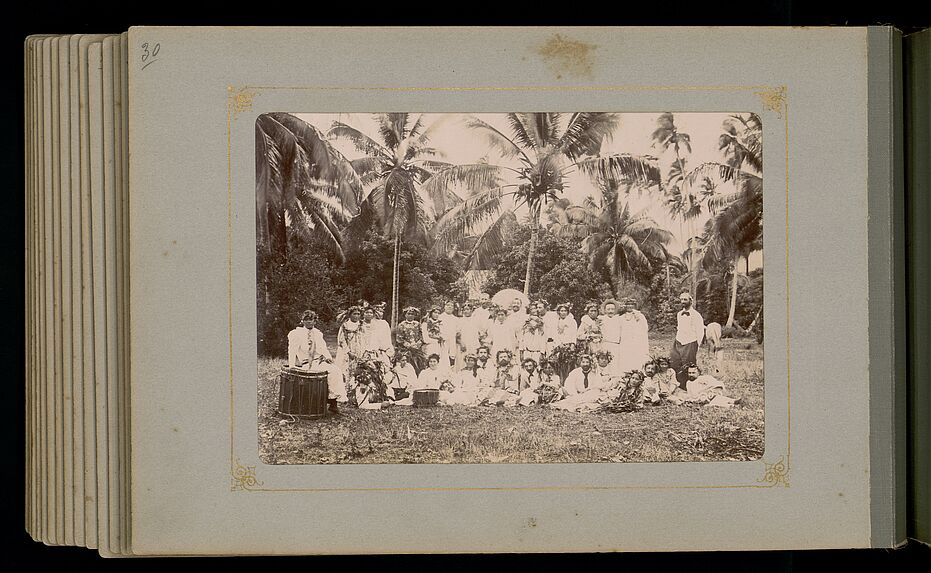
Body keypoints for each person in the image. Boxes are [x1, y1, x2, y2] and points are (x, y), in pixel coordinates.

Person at [286, 310, 348, 413]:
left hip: (319, 361)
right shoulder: (296, 333)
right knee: (320, 374)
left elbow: (323, 348)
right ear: (302, 321)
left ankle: (333, 402)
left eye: (312, 320)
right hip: (307, 363)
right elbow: (292, 350)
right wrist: (291, 365)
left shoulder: (318, 333)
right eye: (307, 320)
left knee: (335, 371)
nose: (309, 322)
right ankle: (321, 402)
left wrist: (328, 357)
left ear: (315, 321)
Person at [670, 292, 705, 388]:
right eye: (681, 300)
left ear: (691, 301)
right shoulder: (679, 314)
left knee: (688, 365)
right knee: (674, 362)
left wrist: (697, 346)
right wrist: (677, 340)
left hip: (690, 342)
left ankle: (688, 386)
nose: (683, 302)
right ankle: (677, 384)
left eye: (685, 299)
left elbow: (700, 331)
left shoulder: (696, 315)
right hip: (678, 341)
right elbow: (679, 328)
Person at [666, 364, 739, 407]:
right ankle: (730, 405)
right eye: (689, 373)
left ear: (698, 372)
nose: (691, 375)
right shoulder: (689, 383)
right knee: (710, 403)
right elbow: (692, 395)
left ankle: (733, 401)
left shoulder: (705, 378)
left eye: (693, 373)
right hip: (700, 399)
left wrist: (711, 392)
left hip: (709, 395)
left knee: (715, 398)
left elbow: (717, 384)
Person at [335, 306, 366, 395]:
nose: (356, 316)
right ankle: (345, 390)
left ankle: (354, 390)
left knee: (357, 369)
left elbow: (364, 338)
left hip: (358, 350)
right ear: (350, 315)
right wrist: (348, 352)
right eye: (354, 314)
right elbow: (341, 340)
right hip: (346, 351)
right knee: (345, 369)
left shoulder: (361, 325)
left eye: (358, 314)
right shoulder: (345, 325)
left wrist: (363, 350)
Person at [617, 297, 650, 374]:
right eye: (628, 304)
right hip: (625, 341)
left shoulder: (640, 316)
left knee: (637, 357)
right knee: (626, 357)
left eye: (631, 304)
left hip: (637, 341)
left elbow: (645, 329)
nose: (629, 306)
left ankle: (638, 373)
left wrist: (638, 317)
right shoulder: (621, 318)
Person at [455, 301, 486, 370]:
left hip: (474, 344)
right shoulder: (460, 321)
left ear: (471, 310)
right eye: (464, 310)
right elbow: (456, 335)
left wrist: (480, 339)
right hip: (463, 345)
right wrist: (461, 343)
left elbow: (482, 333)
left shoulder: (477, 320)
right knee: (462, 361)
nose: (466, 311)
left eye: (468, 309)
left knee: (474, 360)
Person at [395, 307, 425, 372]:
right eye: (409, 314)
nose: (410, 315)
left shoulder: (417, 324)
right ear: (405, 315)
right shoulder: (401, 325)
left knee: (420, 364)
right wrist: (409, 345)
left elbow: (421, 336)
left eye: (412, 314)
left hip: (417, 349)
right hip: (405, 350)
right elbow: (399, 339)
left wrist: (417, 344)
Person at [599, 299, 623, 376]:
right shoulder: (601, 319)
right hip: (604, 344)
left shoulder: (619, 319)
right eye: (608, 309)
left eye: (612, 309)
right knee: (605, 363)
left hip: (616, 345)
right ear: (605, 310)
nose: (610, 311)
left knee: (615, 364)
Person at [438, 300, 459, 369]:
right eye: (448, 305)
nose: (449, 307)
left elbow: (457, 331)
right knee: (442, 358)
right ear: (444, 306)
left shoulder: (456, 319)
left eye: (451, 305)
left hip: (452, 341)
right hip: (442, 342)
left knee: (452, 358)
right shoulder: (439, 317)